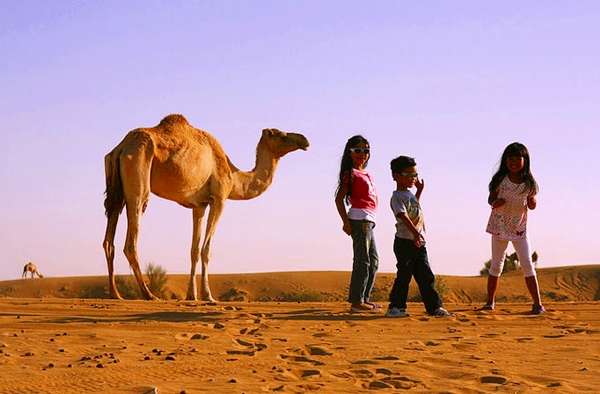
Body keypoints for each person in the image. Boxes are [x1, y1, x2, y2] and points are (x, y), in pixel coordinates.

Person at [386, 156, 453, 318]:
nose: (413, 178)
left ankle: (434, 308)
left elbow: (413, 209)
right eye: (408, 175)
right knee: (404, 275)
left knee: (426, 276)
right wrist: (415, 233)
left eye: (415, 175)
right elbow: (403, 215)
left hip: (418, 243)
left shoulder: (409, 195)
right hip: (405, 242)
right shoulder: (397, 197)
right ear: (397, 176)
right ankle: (395, 307)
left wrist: (419, 192)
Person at [483, 142, 545, 314]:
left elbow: (532, 204)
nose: (514, 162)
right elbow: (491, 199)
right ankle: (490, 302)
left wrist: (532, 203)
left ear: (525, 161)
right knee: (496, 265)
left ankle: (538, 303)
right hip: (499, 226)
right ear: (505, 161)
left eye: (518, 159)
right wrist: (495, 203)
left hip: (519, 228)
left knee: (527, 264)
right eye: (511, 159)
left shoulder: (528, 183)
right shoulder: (500, 180)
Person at [335, 135, 381, 313]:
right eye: (358, 150)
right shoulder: (351, 174)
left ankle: (364, 298)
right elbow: (339, 199)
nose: (363, 154)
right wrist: (345, 223)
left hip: (369, 220)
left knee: (373, 261)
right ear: (350, 153)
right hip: (359, 220)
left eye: (366, 150)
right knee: (363, 260)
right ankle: (356, 302)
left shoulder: (366, 173)